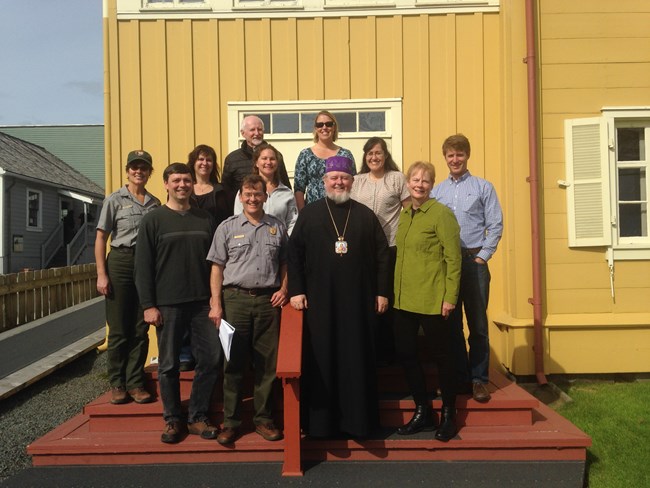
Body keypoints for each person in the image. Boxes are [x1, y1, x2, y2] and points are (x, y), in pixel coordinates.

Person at [288, 155, 390, 438]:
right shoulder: (309, 214)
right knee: (322, 359)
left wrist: (382, 291)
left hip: (358, 304)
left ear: (352, 182)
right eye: (334, 178)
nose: (339, 182)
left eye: (344, 178)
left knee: (355, 360)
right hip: (320, 303)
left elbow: (382, 255)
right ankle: (320, 425)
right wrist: (296, 290)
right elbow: (294, 254)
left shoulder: (365, 215)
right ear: (324, 182)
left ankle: (357, 424)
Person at [134, 163, 222, 444]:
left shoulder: (205, 219)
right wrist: (149, 305)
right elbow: (143, 266)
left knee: (210, 359)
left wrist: (215, 299)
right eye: (176, 180)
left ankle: (197, 416)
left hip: (202, 303)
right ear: (166, 184)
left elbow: (216, 263)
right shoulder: (153, 220)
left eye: (186, 180)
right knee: (169, 365)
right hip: (168, 304)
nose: (182, 185)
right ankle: (173, 419)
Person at [208, 174, 289, 446]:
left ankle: (264, 419)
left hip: (268, 302)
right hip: (236, 302)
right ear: (240, 197)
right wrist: (216, 304)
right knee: (233, 364)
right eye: (248, 194)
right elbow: (217, 267)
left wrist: (284, 289)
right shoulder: (227, 228)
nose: (253, 199)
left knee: (268, 365)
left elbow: (286, 264)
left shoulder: (277, 227)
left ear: (265, 197)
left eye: (257, 194)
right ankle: (231, 423)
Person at [430, 134, 503, 403]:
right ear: (445, 158)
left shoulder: (483, 187)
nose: (455, 159)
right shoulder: (437, 192)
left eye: (459, 154)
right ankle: (458, 379)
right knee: (451, 326)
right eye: (450, 155)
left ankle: (479, 380)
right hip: (448, 265)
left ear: (467, 156)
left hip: (473, 263)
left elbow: (495, 224)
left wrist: (482, 256)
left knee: (478, 324)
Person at [393, 161, 461, 442]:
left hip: (434, 299)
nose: (419, 184)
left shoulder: (441, 214)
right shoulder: (405, 214)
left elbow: (453, 259)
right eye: (415, 179)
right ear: (408, 182)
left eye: (425, 181)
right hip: (403, 300)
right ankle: (423, 411)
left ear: (432, 185)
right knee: (407, 355)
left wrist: (450, 297)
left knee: (443, 358)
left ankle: (448, 414)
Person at [95, 150, 160, 405]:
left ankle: (135, 382)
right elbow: (101, 237)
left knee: (140, 326)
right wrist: (102, 274)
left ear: (149, 172)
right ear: (127, 170)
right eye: (134, 167)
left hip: (145, 265)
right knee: (120, 328)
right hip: (120, 262)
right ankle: (118, 382)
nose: (139, 171)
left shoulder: (155, 204)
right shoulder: (114, 200)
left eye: (143, 167)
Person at [351, 137, 410, 363]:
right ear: (365, 157)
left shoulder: (396, 179)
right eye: (370, 153)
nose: (374, 157)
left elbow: (408, 211)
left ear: (386, 155)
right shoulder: (357, 181)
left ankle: (390, 351)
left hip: (391, 246)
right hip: (364, 249)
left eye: (378, 152)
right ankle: (369, 348)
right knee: (367, 296)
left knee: (389, 298)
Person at [181, 144, 233, 372]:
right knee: (186, 302)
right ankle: (184, 353)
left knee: (212, 302)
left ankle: (211, 351)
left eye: (209, 159)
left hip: (216, 255)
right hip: (189, 252)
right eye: (200, 159)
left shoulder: (222, 191)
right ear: (193, 162)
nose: (204, 163)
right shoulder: (184, 188)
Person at [294, 111, 356, 210]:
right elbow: (299, 189)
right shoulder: (305, 155)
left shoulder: (345, 154)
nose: (324, 128)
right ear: (315, 128)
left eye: (328, 124)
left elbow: (353, 184)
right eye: (320, 125)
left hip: (340, 208)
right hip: (313, 211)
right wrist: (303, 214)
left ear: (334, 127)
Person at [233, 143, 298, 234]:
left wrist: (287, 242)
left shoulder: (287, 193)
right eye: (264, 158)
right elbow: (238, 219)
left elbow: (292, 222)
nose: (268, 162)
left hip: (279, 243)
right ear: (256, 163)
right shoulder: (245, 191)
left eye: (272, 159)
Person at [222, 115, 291, 195]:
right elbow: (225, 191)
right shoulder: (232, 159)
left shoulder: (276, 156)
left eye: (260, 129)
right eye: (252, 130)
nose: (257, 133)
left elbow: (285, 185)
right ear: (243, 133)